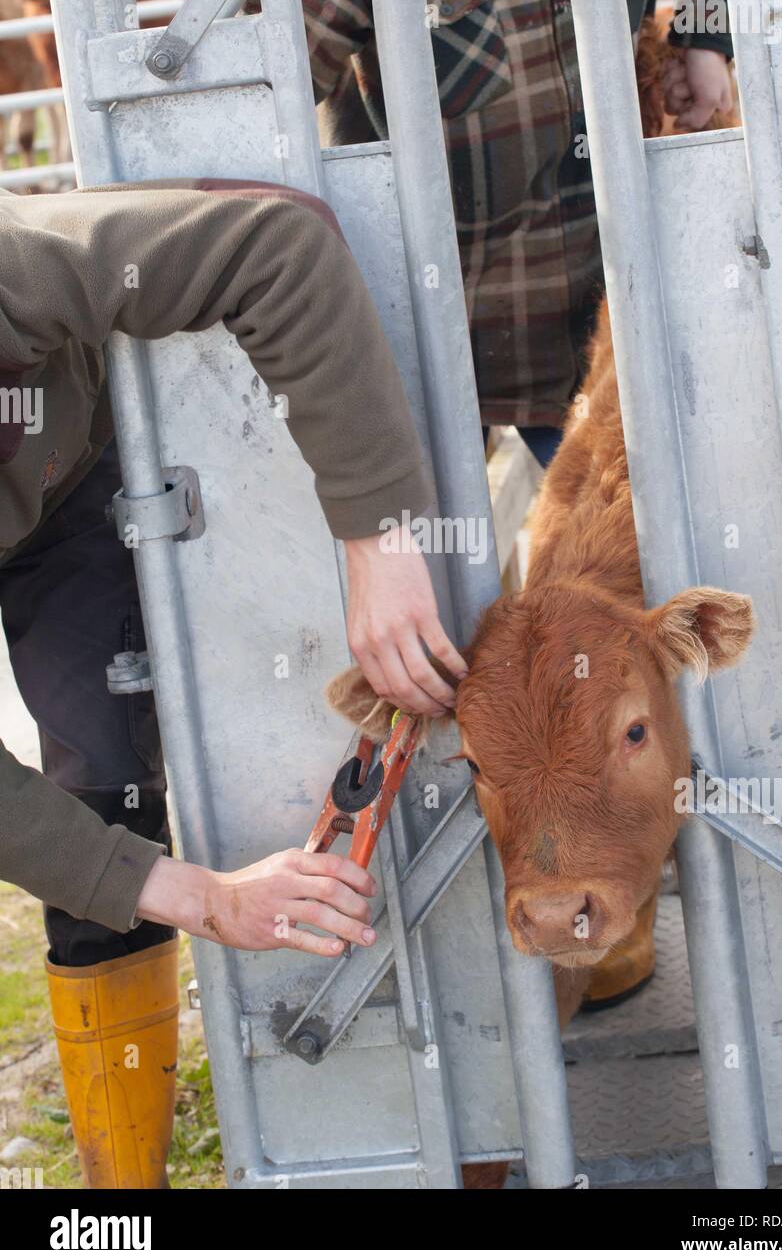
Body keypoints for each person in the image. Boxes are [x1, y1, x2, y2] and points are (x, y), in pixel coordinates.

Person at [0, 177, 466, 1187]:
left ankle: (129, 1174)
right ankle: (122, 1194)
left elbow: (276, 244)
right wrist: (204, 898)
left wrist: (377, 537)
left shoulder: (21, 262)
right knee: (98, 850)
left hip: (62, 478)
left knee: (105, 766)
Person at [293, 0, 733, 473]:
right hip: (435, 343)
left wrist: (705, 34)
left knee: (653, 550)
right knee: (429, 553)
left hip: (609, 321)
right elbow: (257, 95)